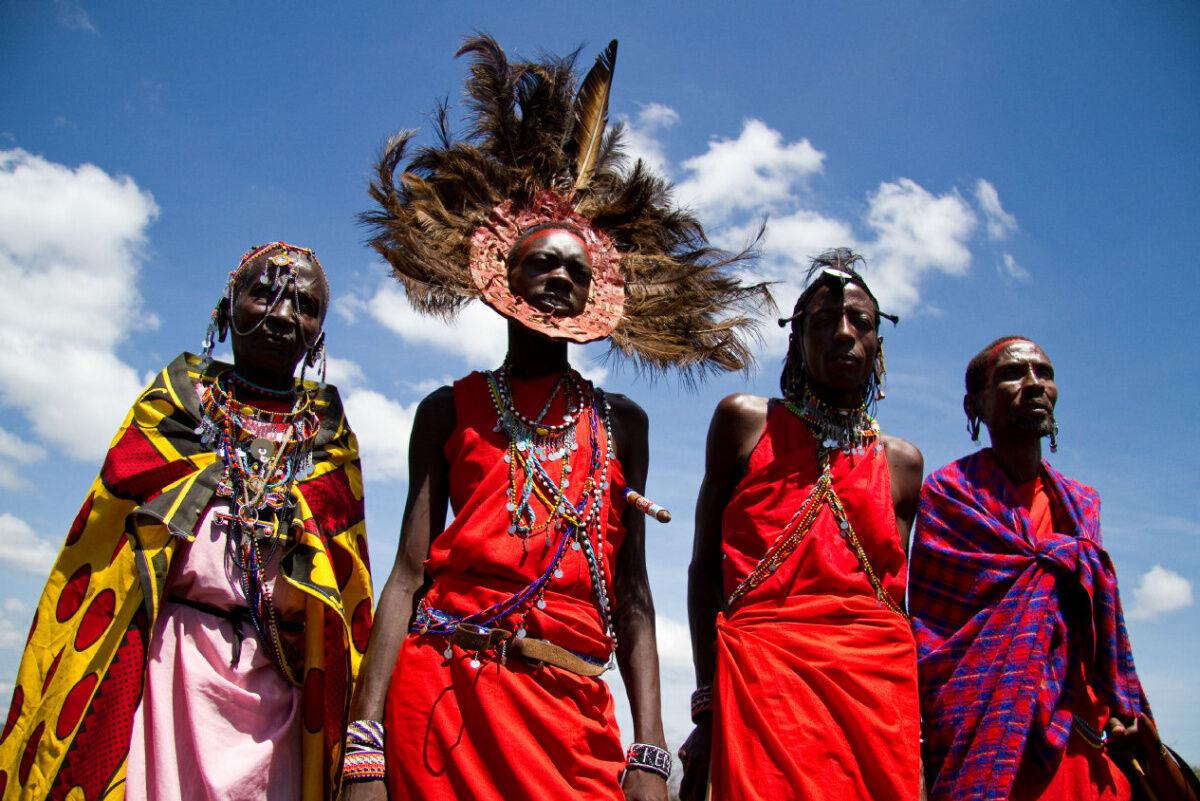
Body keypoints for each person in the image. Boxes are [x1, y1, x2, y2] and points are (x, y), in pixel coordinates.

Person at [345, 36, 769, 801]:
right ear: (504, 278)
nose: (559, 277)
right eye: (543, 261)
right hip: (443, 703)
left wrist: (649, 748)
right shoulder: (447, 410)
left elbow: (635, 595)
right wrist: (363, 746)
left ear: (591, 299)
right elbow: (408, 574)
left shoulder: (622, 425)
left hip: (570, 713)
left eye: (576, 269)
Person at [0, 243, 372, 801]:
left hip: (284, 674)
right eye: (262, 294)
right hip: (170, 661)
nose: (282, 315)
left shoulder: (329, 434)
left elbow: (344, 572)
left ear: (319, 333)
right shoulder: (173, 405)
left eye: (304, 305)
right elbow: (111, 540)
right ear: (226, 309)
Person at [680, 248, 925, 801]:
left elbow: (896, 603)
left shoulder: (902, 463)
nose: (844, 333)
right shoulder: (746, 422)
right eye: (822, 323)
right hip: (763, 683)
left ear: (878, 347)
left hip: (876, 695)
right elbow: (703, 568)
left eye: (861, 323)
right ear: (796, 342)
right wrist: (706, 698)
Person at [909, 336, 1198, 801]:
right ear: (975, 404)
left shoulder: (1081, 505)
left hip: (1084, 738)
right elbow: (934, 633)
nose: (1033, 384)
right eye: (1012, 373)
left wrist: (1123, 702)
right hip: (986, 732)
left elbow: (1103, 624)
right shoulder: (949, 496)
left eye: (1044, 373)